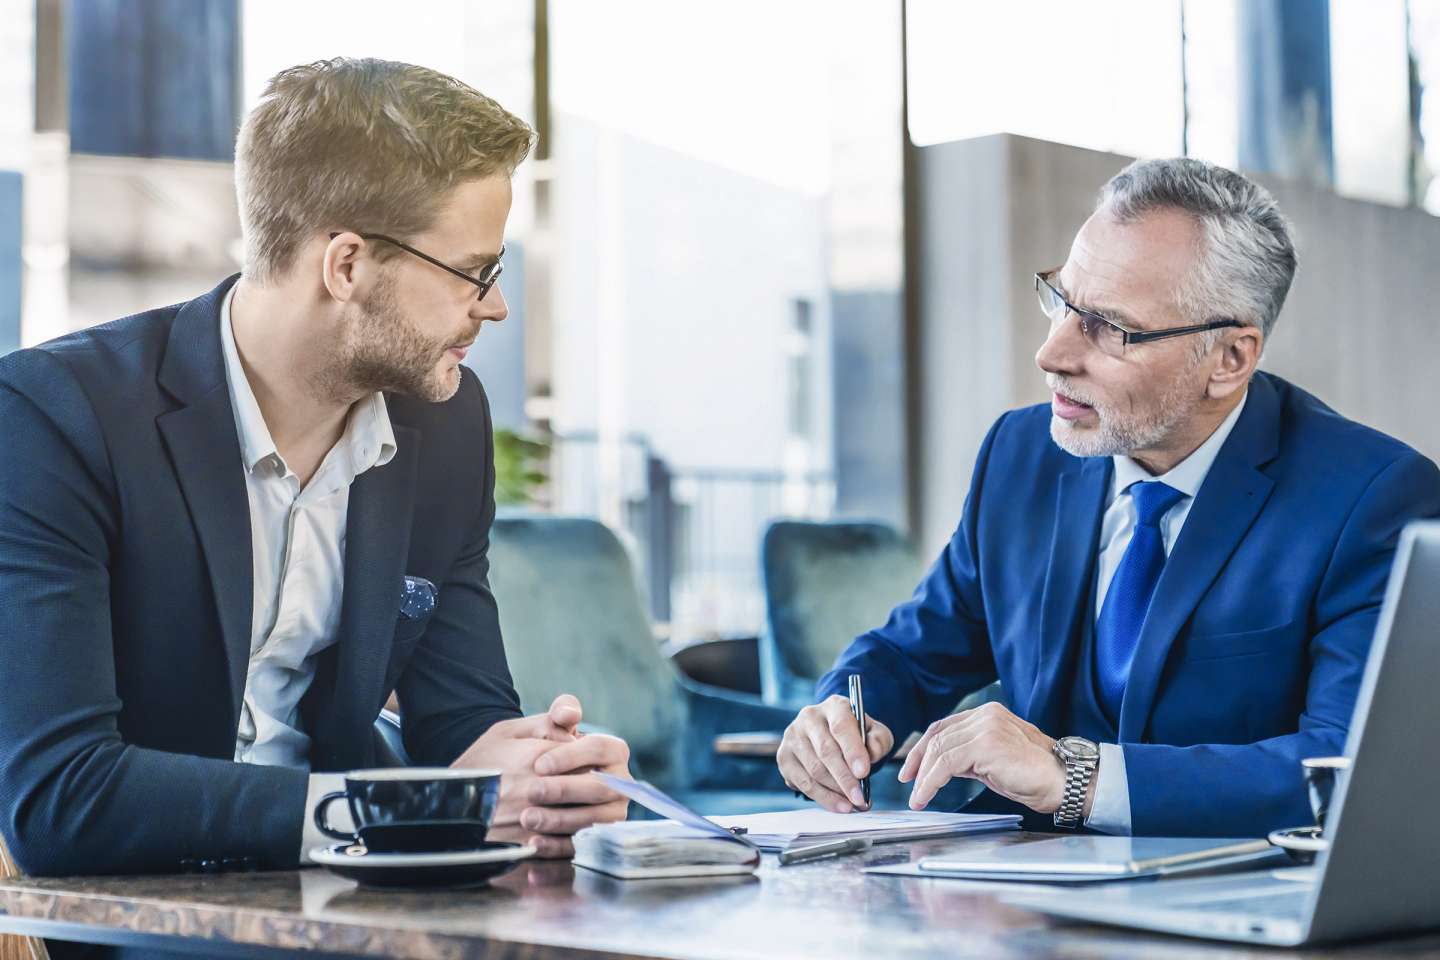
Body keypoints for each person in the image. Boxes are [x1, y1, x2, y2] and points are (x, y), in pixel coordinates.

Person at [0, 58, 630, 882]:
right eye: (474, 272)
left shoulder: (444, 421)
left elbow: (460, 715)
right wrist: (382, 812)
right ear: (347, 266)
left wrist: (540, 774)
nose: (495, 305)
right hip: (136, 900)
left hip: (350, 893)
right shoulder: (52, 416)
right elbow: (60, 798)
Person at [778, 157, 1440, 836]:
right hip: (1010, 885)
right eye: (1062, 302)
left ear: (1230, 359)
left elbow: (1347, 767)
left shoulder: (1374, 500)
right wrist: (846, 714)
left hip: (1225, 890)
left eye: (1109, 327)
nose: (1052, 354)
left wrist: (1078, 779)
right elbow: (913, 653)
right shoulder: (1020, 454)